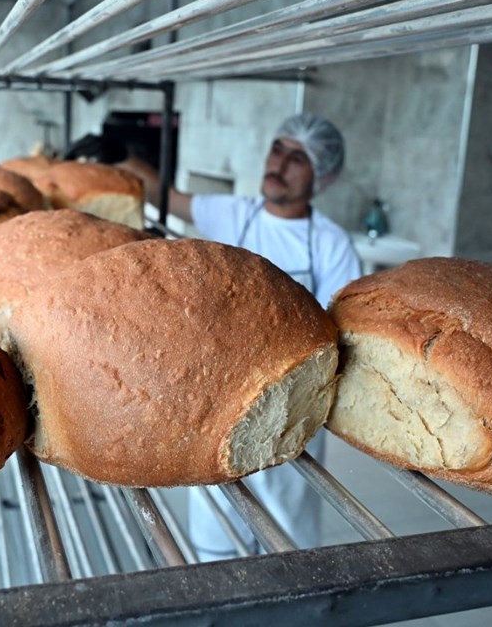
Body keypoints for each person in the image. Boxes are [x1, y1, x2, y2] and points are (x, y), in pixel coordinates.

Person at [67, 113, 362, 560]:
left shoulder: (330, 243)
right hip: (215, 396)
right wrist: (122, 159)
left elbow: (343, 336)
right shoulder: (235, 212)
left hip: (287, 406)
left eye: (297, 158)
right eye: (278, 149)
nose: (279, 164)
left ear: (321, 174)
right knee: (216, 537)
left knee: (286, 548)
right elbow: (166, 194)